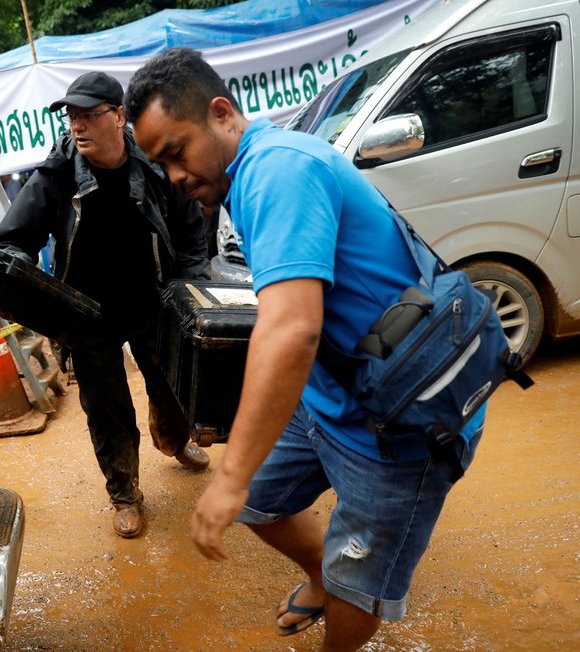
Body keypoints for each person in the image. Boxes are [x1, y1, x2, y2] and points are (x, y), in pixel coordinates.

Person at [125, 47, 486, 648]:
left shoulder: (277, 172)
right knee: (263, 500)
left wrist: (230, 475)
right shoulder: (245, 176)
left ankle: (338, 597)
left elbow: (292, 329)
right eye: (161, 164)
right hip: (335, 394)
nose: (175, 177)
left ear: (221, 113)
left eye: (177, 153)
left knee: (357, 579)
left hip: (399, 423)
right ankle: (321, 572)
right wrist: (243, 477)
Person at [0, 71, 212, 539]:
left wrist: (190, 288)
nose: (78, 126)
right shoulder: (55, 174)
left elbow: (192, 227)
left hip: (152, 297)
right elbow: (14, 240)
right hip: (87, 311)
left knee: (171, 388)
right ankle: (125, 493)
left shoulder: (153, 163)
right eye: (72, 116)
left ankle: (173, 439)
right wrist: (20, 284)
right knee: (106, 409)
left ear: (119, 116)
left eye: (90, 116)